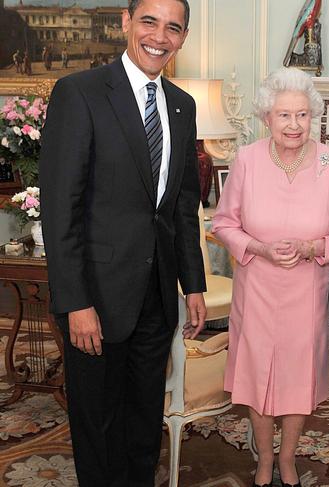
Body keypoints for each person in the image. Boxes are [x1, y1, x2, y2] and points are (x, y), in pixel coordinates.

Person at [39, 0, 206, 485]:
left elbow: (180, 207)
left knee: (141, 425)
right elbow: (59, 209)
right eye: (149, 21)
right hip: (96, 299)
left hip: (156, 296)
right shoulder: (80, 93)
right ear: (125, 23)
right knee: (98, 425)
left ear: (183, 38)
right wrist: (75, 302)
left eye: (173, 27)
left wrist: (192, 284)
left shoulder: (182, 104)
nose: (160, 35)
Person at [212, 67, 329, 487]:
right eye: (283, 115)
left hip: (306, 289)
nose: (294, 125)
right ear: (266, 118)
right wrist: (258, 248)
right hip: (256, 285)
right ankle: (262, 463)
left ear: (313, 116)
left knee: (298, 374)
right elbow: (223, 223)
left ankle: (288, 459)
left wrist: (314, 248)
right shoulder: (247, 159)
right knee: (258, 373)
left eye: (302, 115)